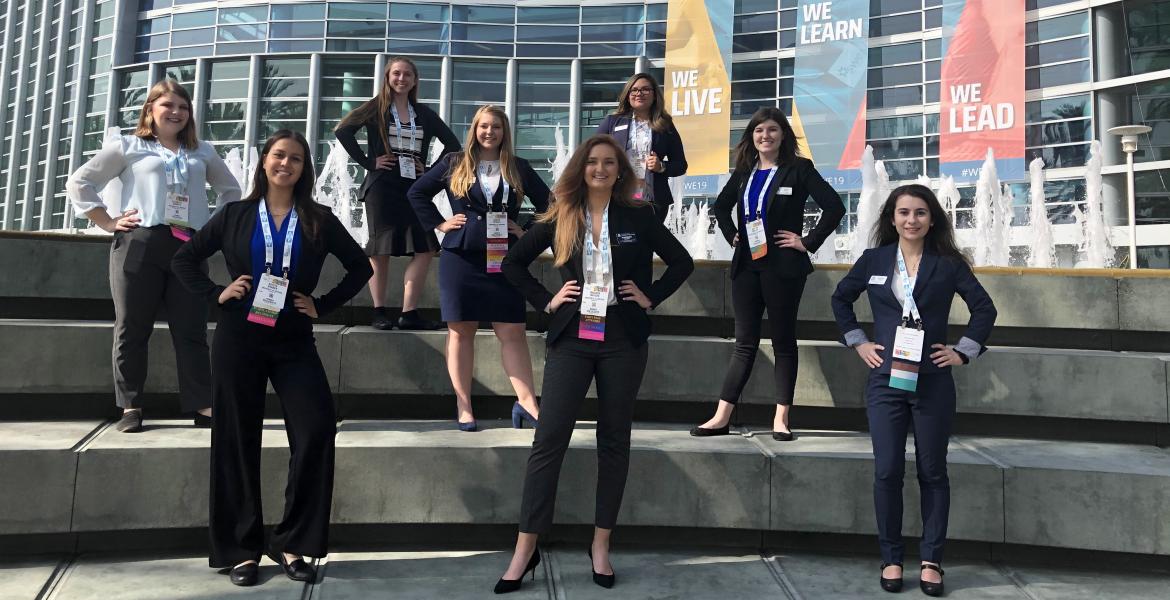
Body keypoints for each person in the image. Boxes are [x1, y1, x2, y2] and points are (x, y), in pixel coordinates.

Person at [171, 131, 373, 587]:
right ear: (263, 162)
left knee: (317, 427)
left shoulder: (318, 219)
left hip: (294, 341)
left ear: (305, 169)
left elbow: (361, 266)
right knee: (236, 439)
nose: (286, 164)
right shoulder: (235, 215)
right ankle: (241, 550)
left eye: (296, 159)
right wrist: (216, 295)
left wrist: (323, 304)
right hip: (239, 336)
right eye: (279, 155)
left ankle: (294, 542)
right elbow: (185, 259)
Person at [494, 135, 694, 593]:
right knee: (548, 441)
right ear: (581, 168)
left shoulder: (639, 215)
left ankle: (600, 544)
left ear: (620, 170)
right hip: (573, 339)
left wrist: (650, 297)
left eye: (609, 163)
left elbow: (681, 263)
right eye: (593, 162)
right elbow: (512, 264)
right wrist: (547, 301)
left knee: (614, 442)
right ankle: (525, 549)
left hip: (623, 340)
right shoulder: (562, 213)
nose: (600, 169)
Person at [831, 184, 996, 596]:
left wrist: (963, 352)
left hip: (933, 382)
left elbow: (984, 308)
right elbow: (841, 299)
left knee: (932, 471)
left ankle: (931, 561)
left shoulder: (948, 264)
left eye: (920, 213)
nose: (911, 220)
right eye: (904, 212)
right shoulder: (874, 260)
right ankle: (891, 558)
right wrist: (859, 342)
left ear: (932, 219)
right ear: (892, 218)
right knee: (887, 470)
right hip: (885, 381)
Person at [66, 79, 241, 433]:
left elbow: (231, 191)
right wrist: (108, 221)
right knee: (132, 327)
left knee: (191, 330)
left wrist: (210, 230)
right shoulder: (128, 146)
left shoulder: (201, 151)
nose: (176, 112)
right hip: (140, 243)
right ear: (151, 109)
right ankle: (130, 406)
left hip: (187, 247)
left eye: (183, 107)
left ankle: (203, 406)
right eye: (168, 105)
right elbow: (80, 182)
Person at [690, 107, 845, 441]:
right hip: (747, 266)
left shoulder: (799, 170)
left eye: (772, 130)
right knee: (744, 343)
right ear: (752, 137)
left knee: (783, 343)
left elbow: (835, 207)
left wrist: (807, 241)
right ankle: (721, 417)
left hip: (784, 268)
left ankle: (781, 419)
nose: (765, 136)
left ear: (783, 135)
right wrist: (733, 233)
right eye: (759, 131)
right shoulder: (745, 170)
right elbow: (721, 206)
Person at [407, 105, 549, 431]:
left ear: (504, 132)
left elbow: (551, 205)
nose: (489, 132)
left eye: (496, 127)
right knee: (461, 330)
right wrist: (440, 225)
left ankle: (527, 402)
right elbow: (417, 193)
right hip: (461, 258)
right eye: (483, 126)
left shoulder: (517, 167)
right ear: (475, 129)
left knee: (512, 330)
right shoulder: (454, 162)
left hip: (505, 259)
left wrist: (524, 228)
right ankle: (464, 405)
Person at [335, 56, 460, 330]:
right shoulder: (375, 109)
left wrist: (429, 169)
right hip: (382, 185)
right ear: (388, 78)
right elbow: (343, 131)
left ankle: (409, 313)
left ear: (415, 81)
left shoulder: (424, 113)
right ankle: (378, 311)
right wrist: (369, 162)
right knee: (380, 249)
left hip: (414, 186)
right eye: (396, 74)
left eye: (407, 75)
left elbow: (453, 144)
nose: (401, 79)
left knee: (425, 247)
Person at [594, 72, 687, 222]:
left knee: (647, 244)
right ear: (628, 94)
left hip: (653, 200)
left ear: (654, 94)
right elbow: (590, 154)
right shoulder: (613, 122)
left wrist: (661, 166)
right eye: (634, 90)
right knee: (621, 242)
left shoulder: (665, 124)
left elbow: (681, 165)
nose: (639, 93)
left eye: (645, 89)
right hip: (617, 196)